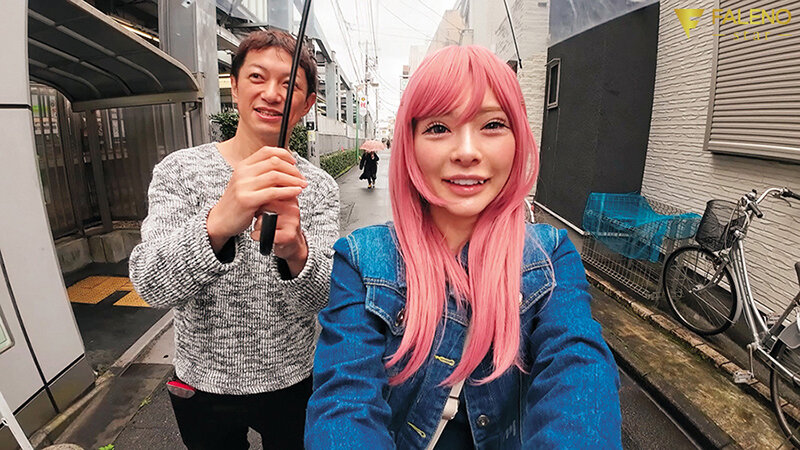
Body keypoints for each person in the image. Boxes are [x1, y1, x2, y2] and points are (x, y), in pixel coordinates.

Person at [305, 45, 621, 449]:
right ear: (410, 144)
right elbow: (344, 402)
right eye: (438, 127)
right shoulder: (362, 261)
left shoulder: (549, 257)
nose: (467, 152)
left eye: (493, 124)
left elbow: (579, 369)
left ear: (518, 138)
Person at [129, 29, 339, 450]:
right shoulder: (180, 171)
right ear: (235, 86)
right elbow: (151, 285)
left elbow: (323, 298)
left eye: (289, 85)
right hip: (202, 384)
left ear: (307, 104)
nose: (272, 94)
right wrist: (217, 224)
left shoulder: (318, 186)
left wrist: (296, 251)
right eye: (257, 77)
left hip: (293, 379)